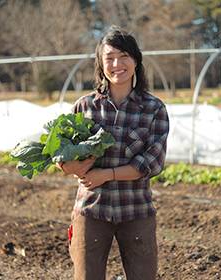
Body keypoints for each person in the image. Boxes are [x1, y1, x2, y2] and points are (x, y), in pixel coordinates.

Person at [57, 26, 169, 280]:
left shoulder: (153, 109)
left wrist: (105, 174)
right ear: (101, 64)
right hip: (92, 211)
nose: (117, 64)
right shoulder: (84, 107)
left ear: (136, 61)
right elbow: (61, 156)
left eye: (124, 56)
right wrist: (71, 166)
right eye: (109, 58)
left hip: (136, 210)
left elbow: (151, 162)